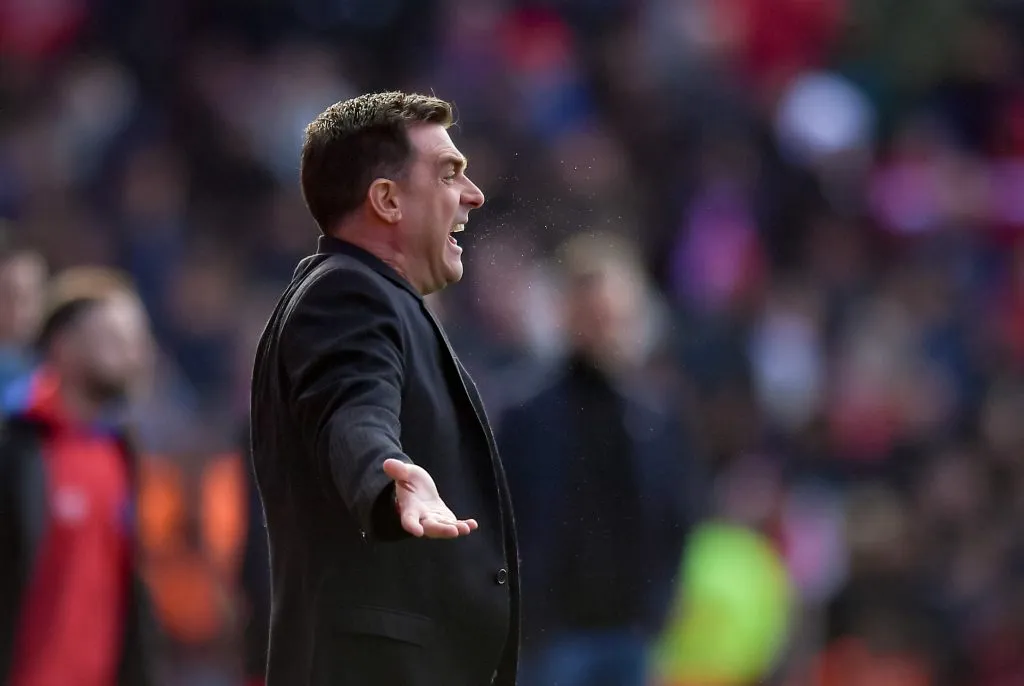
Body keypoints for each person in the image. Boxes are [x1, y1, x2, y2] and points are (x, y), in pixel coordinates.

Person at [249, 91, 519, 686]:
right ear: (387, 201)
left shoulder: (368, 297)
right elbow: (352, 409)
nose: (472, 195)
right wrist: (386, 477)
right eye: (449, 173)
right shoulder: (345, 295)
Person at [498, 233, 703, 686]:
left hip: (632, 630)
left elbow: (679, 514)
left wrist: (661, 605)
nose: (602, 325)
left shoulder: (660, 413)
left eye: (611, 314)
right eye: (589, 313)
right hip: (552, 633)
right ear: (564, 313)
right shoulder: (524, 413)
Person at [0, 267, 157, 686]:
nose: (134, 353)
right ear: (63, 346)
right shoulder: (17, 444)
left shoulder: (121, 452)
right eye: (115, 338)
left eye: (137, 340)